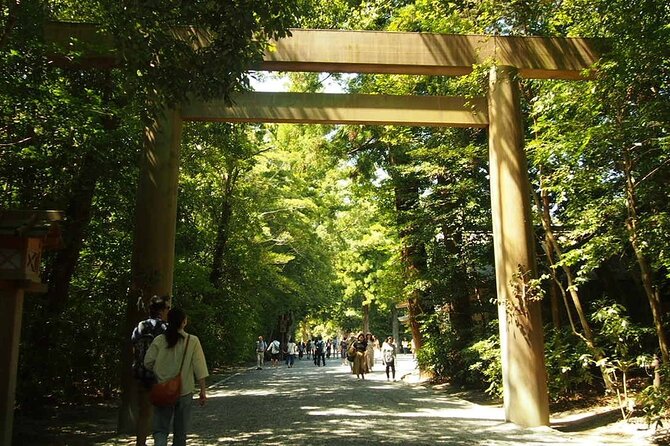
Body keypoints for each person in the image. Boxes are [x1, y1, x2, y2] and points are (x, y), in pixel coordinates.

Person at [144, 308, 209, 446]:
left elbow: (147, 362)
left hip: (163, 389)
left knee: (160, 430)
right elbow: (200, 368)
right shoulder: (192, 341)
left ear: (169, 321)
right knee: (180, 432)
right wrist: (202, 391)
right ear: (184, 322)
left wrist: (159, 372)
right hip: (184, 390)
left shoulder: (160, 340)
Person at [131, 295, 169, 446]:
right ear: (161, 310)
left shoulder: (140, 326)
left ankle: (140, 443)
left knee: (144, 413)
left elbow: (134, 347)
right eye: (167, 308)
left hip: (142, 374)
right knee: (161, 414)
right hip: (160, 375)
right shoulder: (165, 328)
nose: (168, 311)